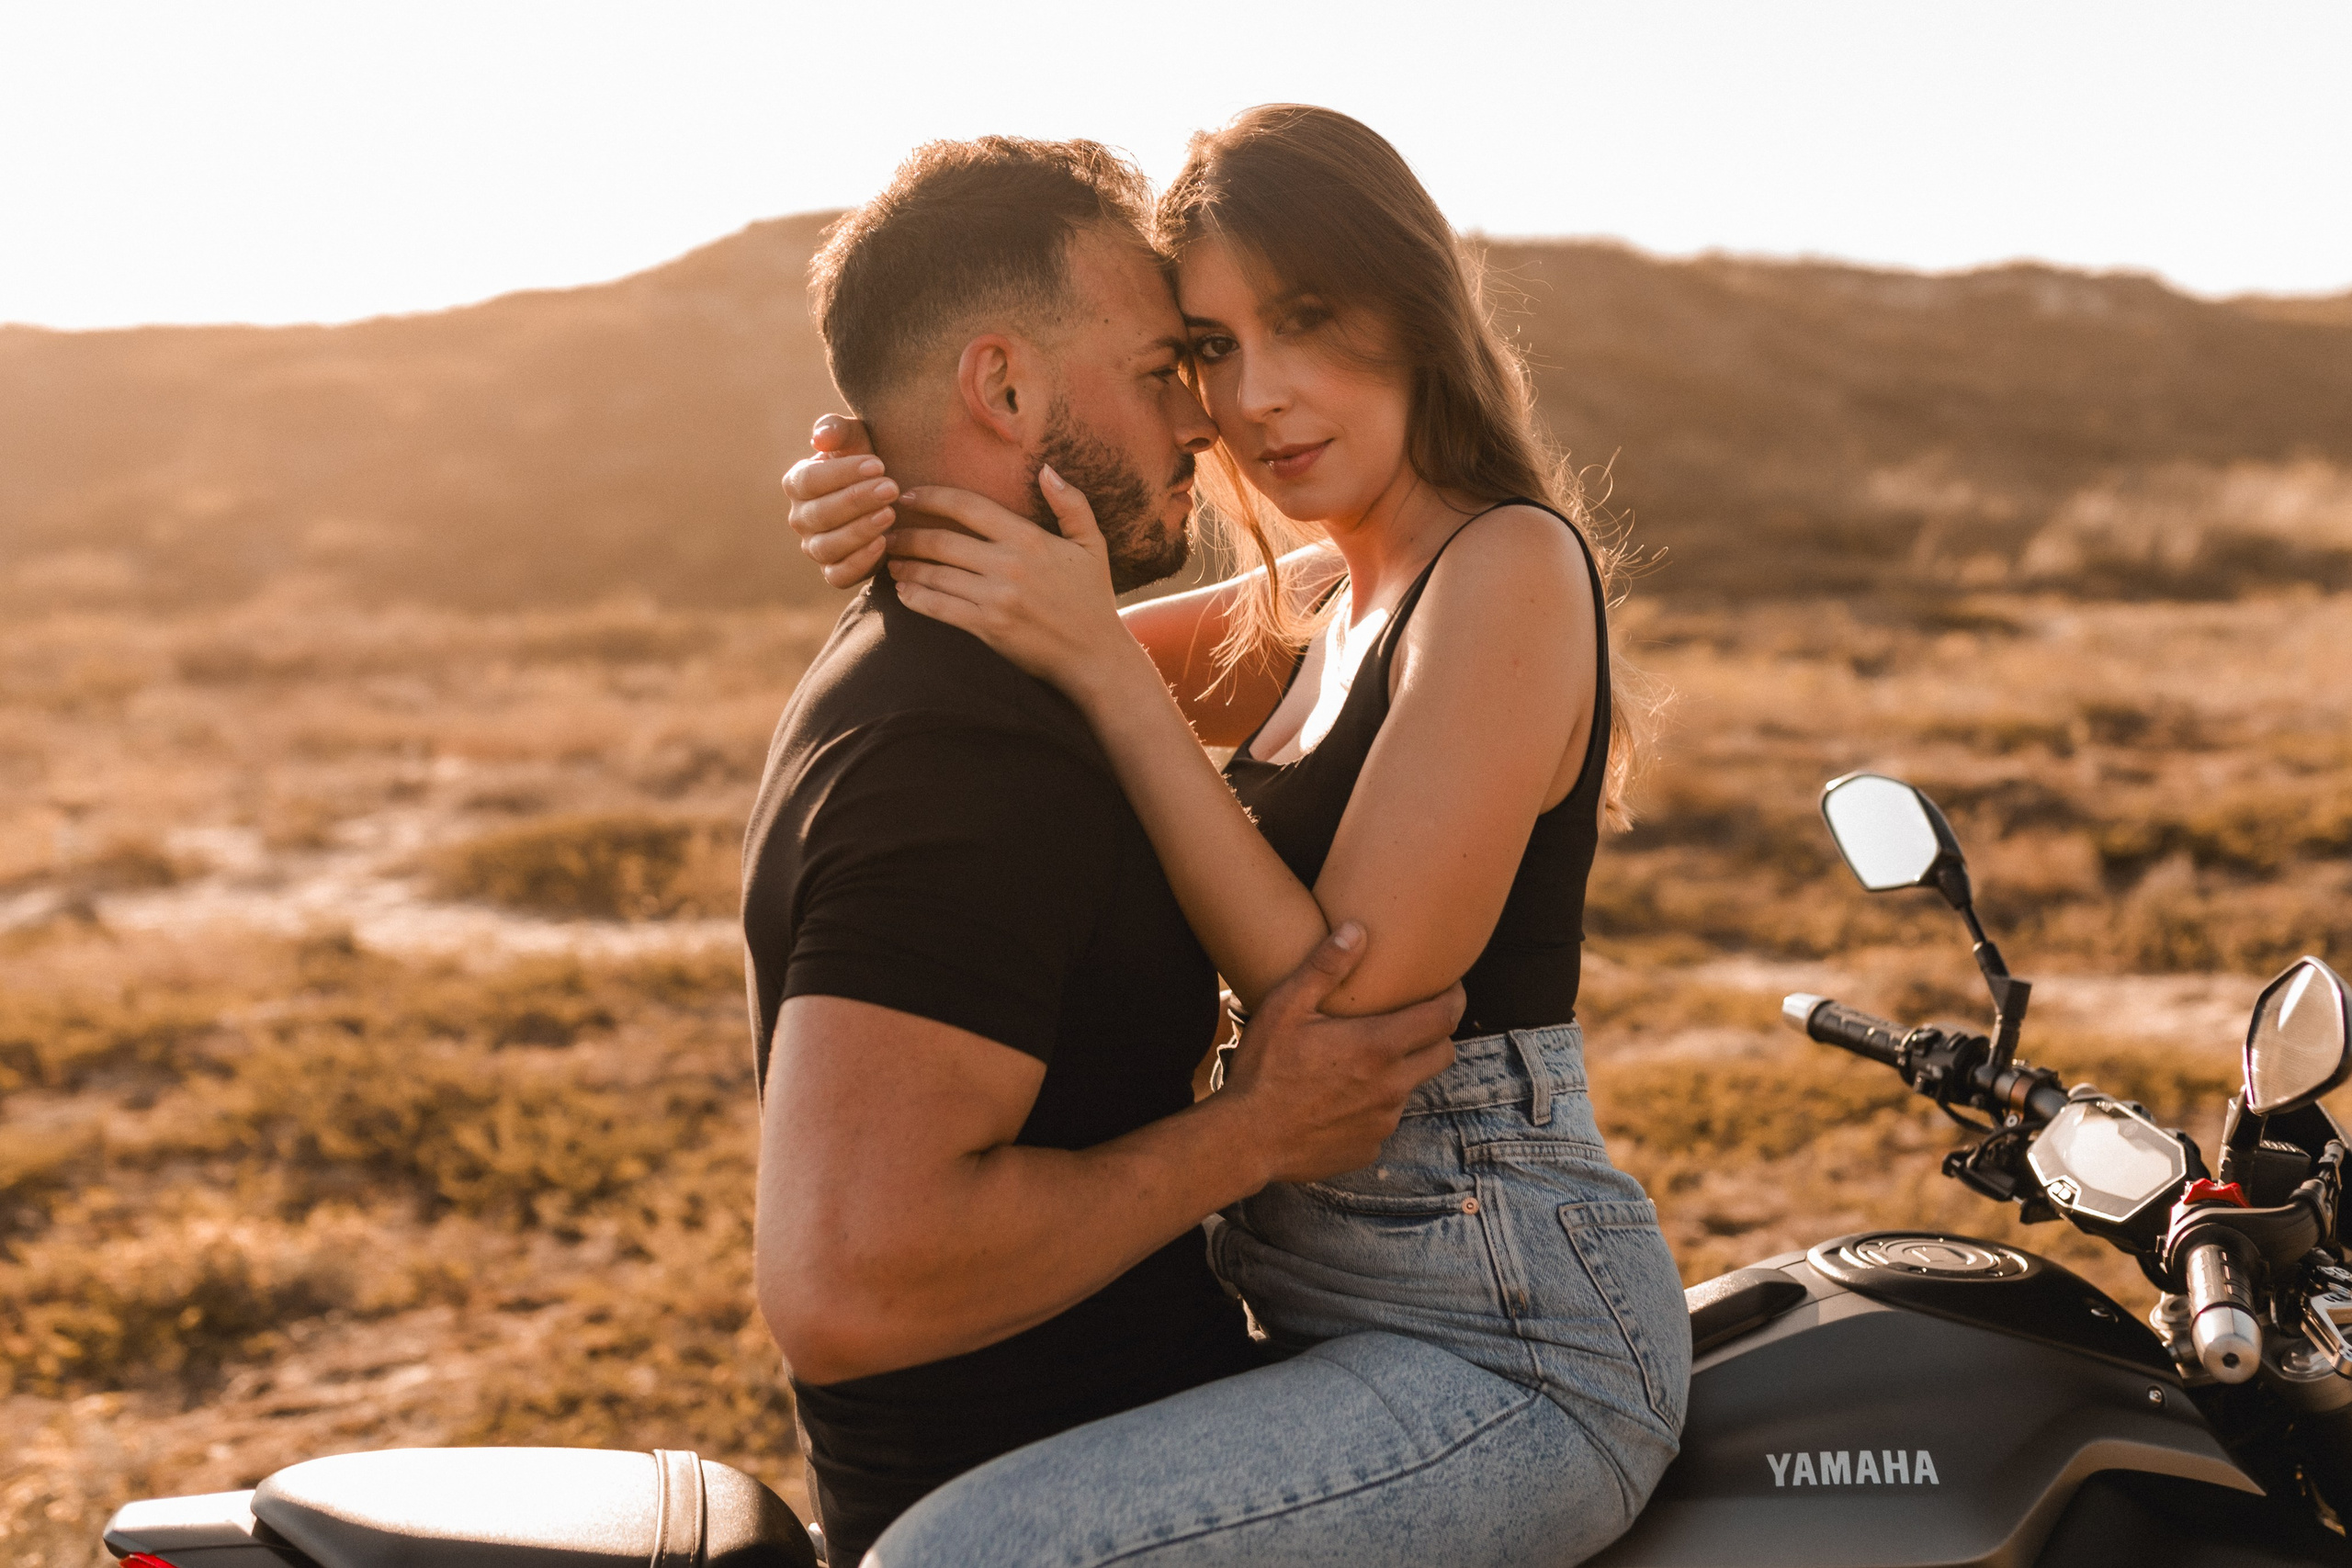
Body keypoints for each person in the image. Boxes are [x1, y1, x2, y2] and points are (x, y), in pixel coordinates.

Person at [781, 106, 1688, 1567]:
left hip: (1519, 1355)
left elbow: (1347, 999)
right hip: (1336, 1323)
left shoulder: (1507, 565)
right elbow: (1022, 610)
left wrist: (1096, 664)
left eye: (1307, 322)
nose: (1250, 399)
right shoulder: (1331, 598)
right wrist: (882, 479)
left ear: (1418, 309)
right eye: (1207, 349)